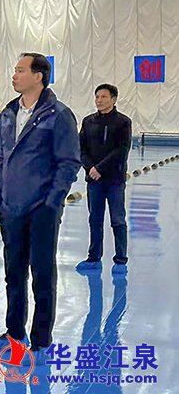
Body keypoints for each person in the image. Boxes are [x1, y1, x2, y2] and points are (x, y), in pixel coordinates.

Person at [0, 53, 81, 364]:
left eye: (21, 70)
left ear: (38, 76)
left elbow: (69, 162)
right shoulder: (9, 113)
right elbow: (2, 157)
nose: (14, 75)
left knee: (42, 273)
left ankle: (41, 339)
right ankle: (14, 333)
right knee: (13, 273)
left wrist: (51, 203)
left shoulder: (58, 115)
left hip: (41, 209)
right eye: (15, 70)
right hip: (11, 207)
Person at [76, 84, 132, 276]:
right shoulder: (88, 122)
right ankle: (94, 257)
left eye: (104, 97)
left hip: (114, 180)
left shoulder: (123, 122)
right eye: (97, 97)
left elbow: (122, 150)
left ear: (114, 99)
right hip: (94, 181)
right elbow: (81, 148)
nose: (99, 100)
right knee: (95, 219)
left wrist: (99, 168)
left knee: (117, 219)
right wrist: (90, 168)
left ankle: (121, 258)